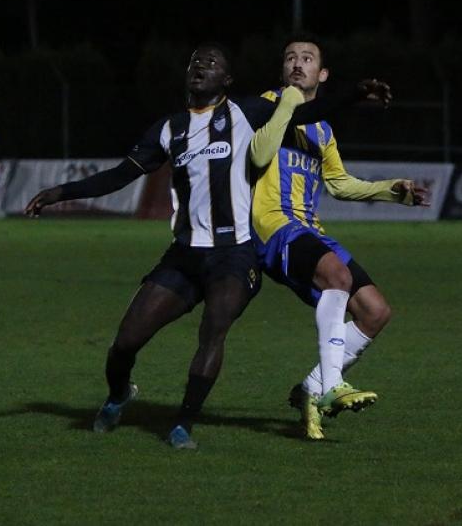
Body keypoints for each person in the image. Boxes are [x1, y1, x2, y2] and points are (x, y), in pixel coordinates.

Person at [24, 42, 390, 450]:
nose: (201, 67)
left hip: (235, 254)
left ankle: (183, 424)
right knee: (125, 342)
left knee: (214, 330)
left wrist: (355, 95)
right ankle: (118, 393)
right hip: (184, 255)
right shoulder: (169, 129)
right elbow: (119, 175)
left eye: (212, 63)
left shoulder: (246, 113)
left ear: (227, 80)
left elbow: (306, 112)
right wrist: (60, 192)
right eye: (195, 62)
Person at [251, 35, 429, 441]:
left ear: (323, 73)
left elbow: (339, 184)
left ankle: (310, 389)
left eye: (308, 58)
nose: (298, 63)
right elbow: (259, 156)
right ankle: (332, 386)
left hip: (310, 230)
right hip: (273, 226)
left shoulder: (323, 130)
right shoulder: (267, 105)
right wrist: (291, 102)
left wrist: (390, 191)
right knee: (337, 276)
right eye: (291, 57)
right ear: (282, 70)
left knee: (375, 312)